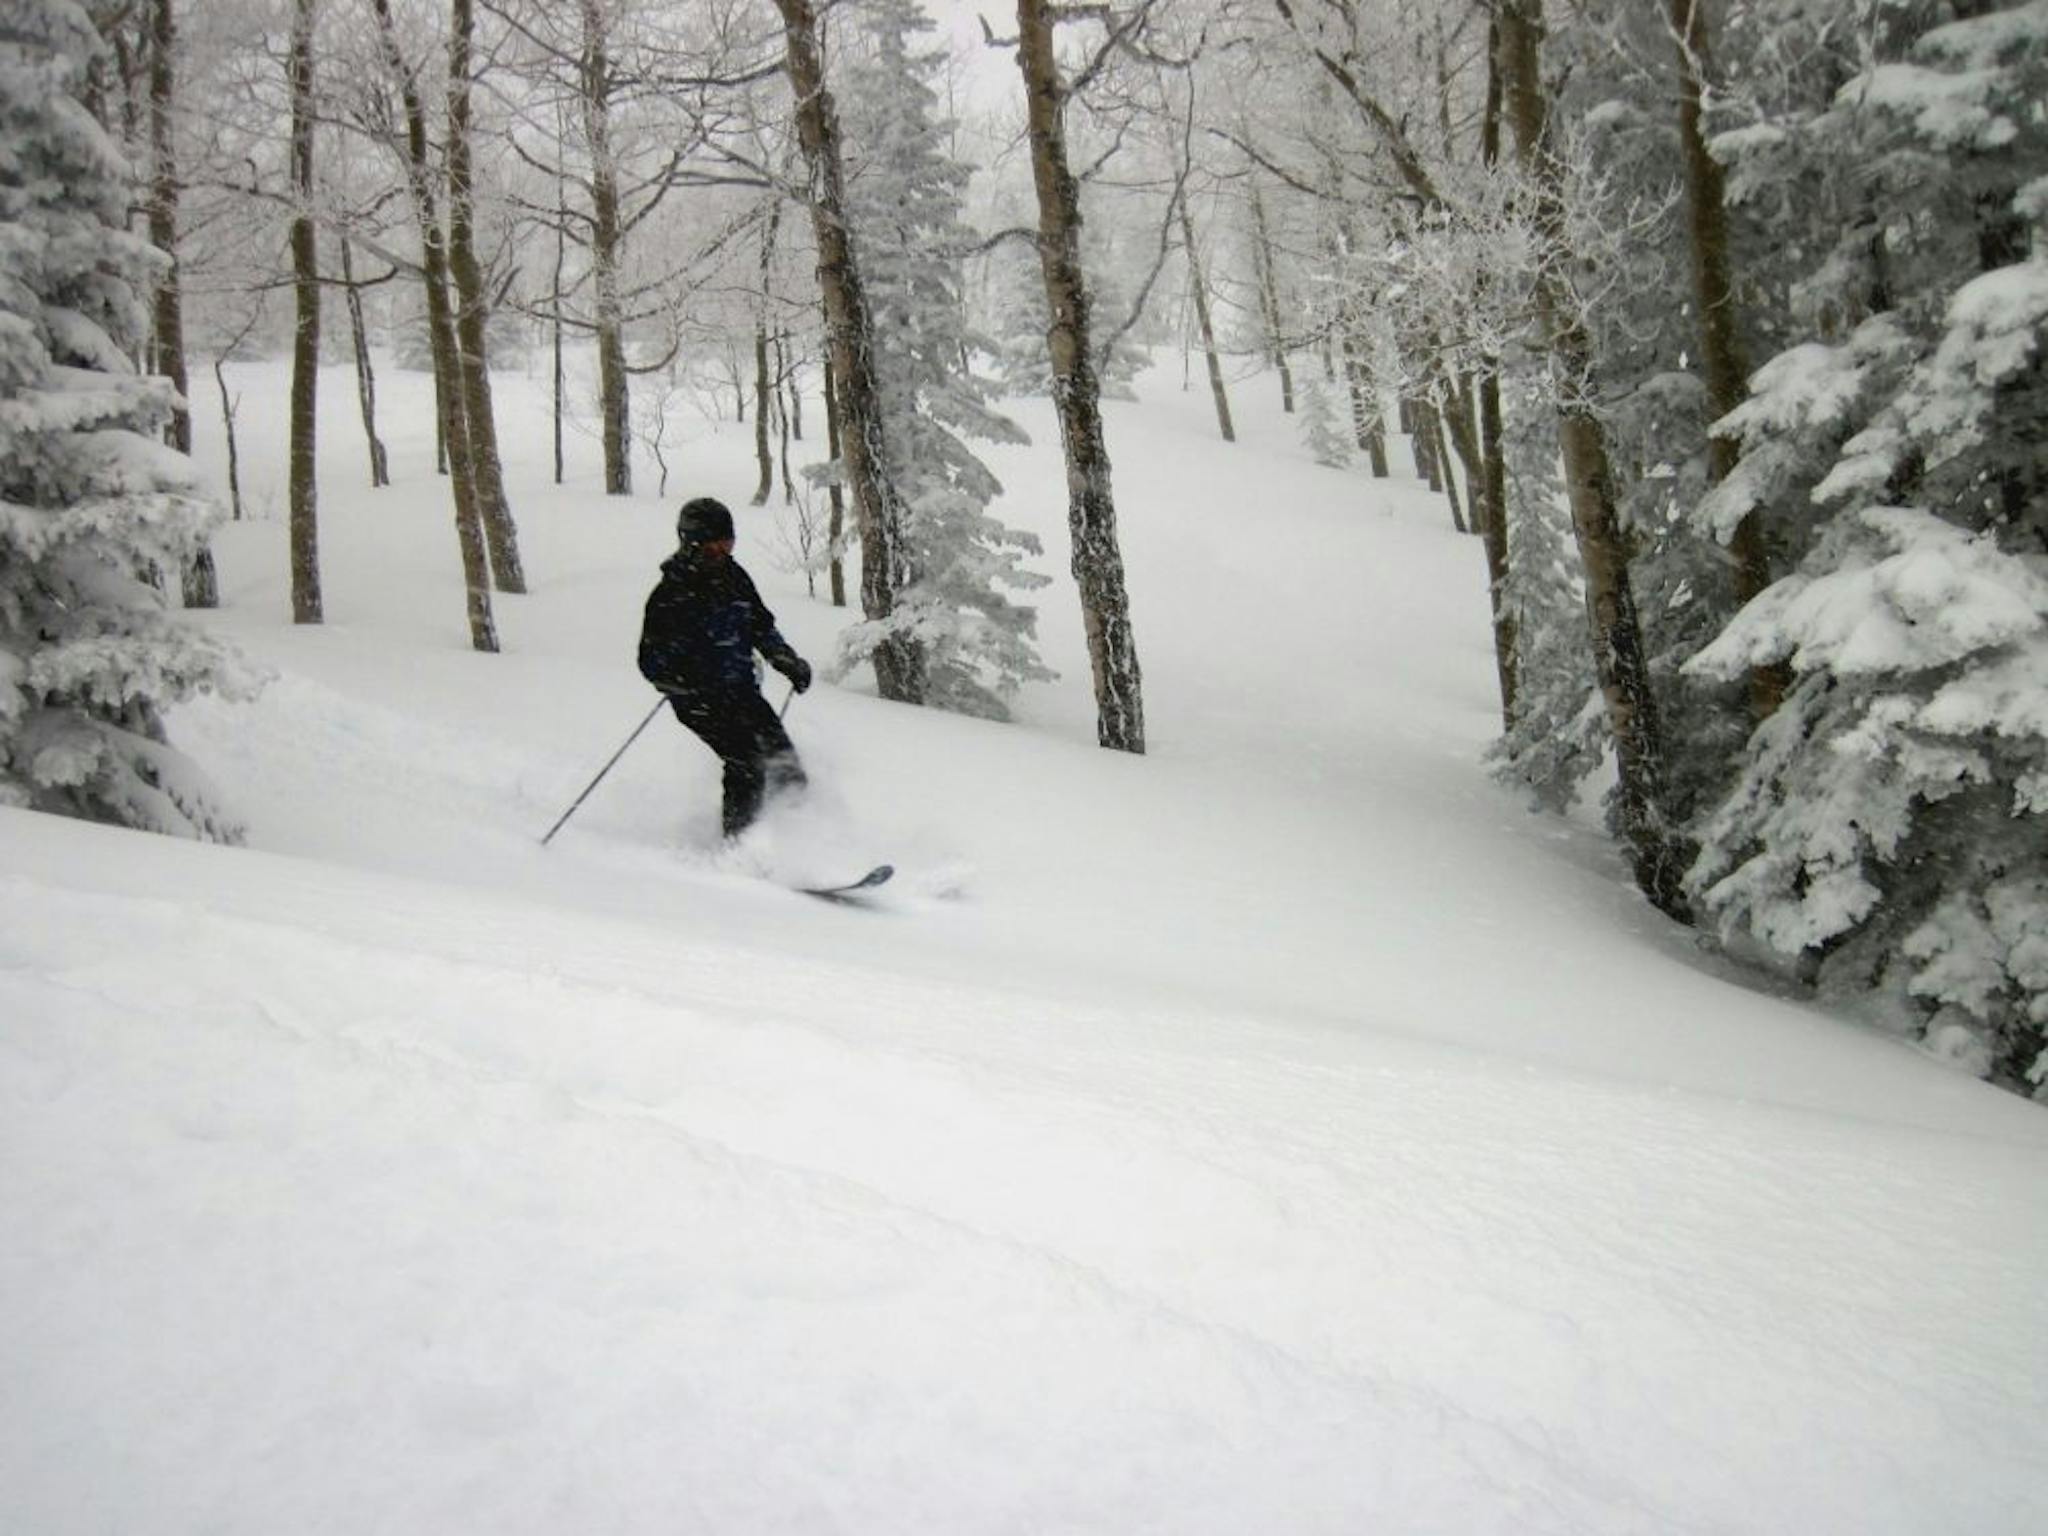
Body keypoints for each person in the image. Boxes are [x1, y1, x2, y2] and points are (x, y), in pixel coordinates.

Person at [638, 496, 813, 839]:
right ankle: (740, 845)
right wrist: (677, 678)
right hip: (698, 700)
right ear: (691, 545)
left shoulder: (735, 577)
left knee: (786, 765)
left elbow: (760, 625)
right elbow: (650, 660)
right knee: (747, 761)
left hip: (741, 691)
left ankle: (798, 839)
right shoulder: (671, 593)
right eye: (713, 548)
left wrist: (785, 659)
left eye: (727, 544)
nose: (722, 553)